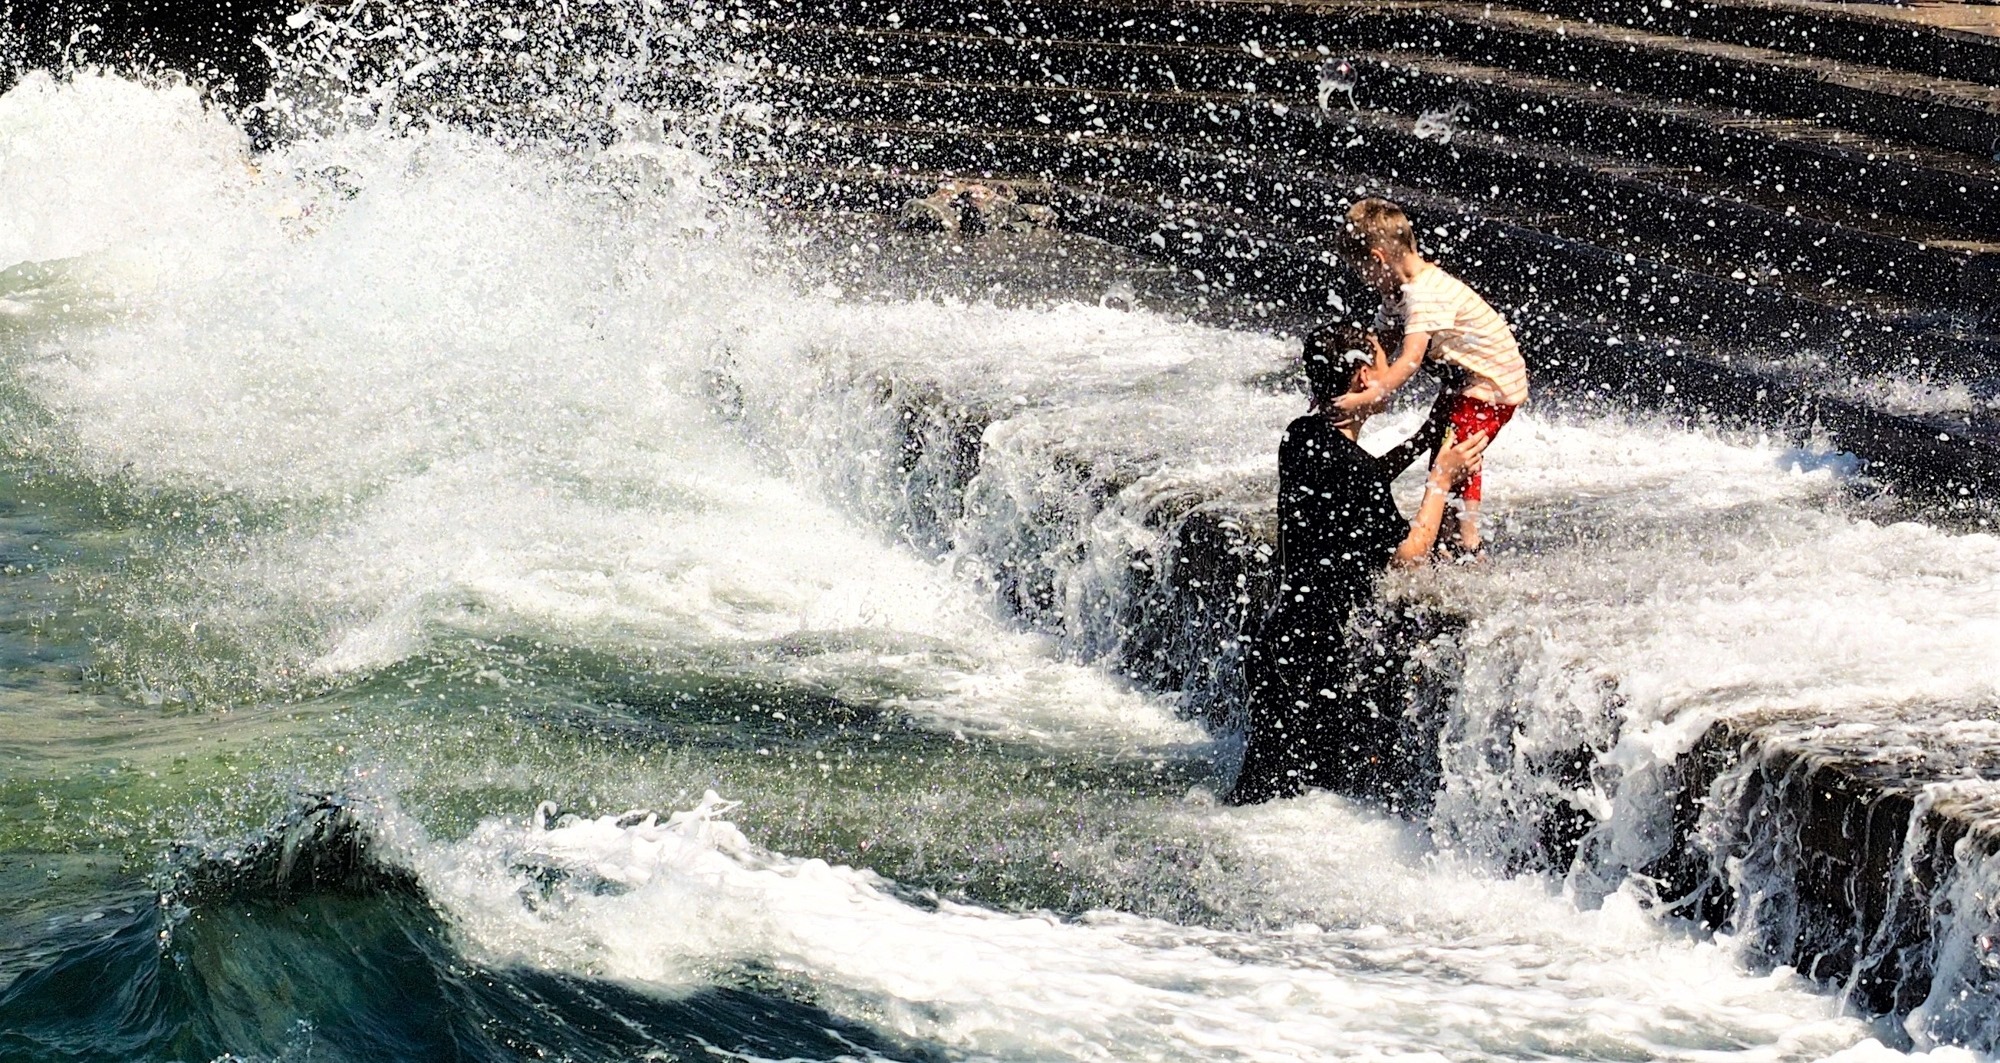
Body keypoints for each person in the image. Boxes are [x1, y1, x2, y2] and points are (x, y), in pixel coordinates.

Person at [1227, 323, 1488, 806]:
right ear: (1365, 377)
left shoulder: (1300, 435)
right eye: (1389, 365)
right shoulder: (1354, 471)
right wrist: (1440, 475)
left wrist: (1423, 437)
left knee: (1260, 794)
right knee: (1291, 808)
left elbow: (1358, 479)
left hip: (1279, 646)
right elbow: (1409, 558)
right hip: (1316, 661)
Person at [1332, 198, 1528, 556]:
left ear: (1378, 259)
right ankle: (1449, 537)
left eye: (1360, 271)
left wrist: (1370, 395)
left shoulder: (1424, 295)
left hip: (1491, 385)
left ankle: (1466, 541)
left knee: (1454, 456)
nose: (1363, 281)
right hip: (1464, 381)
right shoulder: (1398, 292)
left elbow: (1409, 359)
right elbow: (1381, 343)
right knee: (1442, 446)